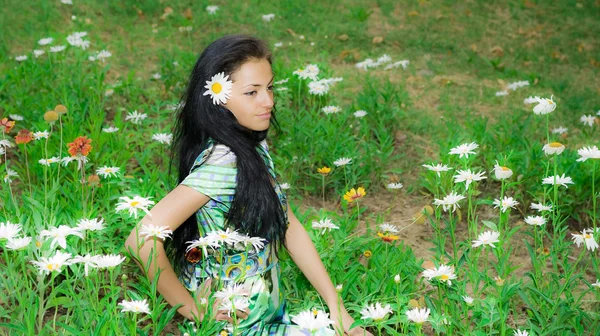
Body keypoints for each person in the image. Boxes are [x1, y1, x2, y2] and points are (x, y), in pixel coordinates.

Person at [124, 34, 373, 336]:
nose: (268, 101)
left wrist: (337, 308)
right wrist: (192, 309)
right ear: (218, 97)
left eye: (269, 88)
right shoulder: (223, 163)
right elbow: (141, 241)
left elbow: (288, 224)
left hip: (271, 317)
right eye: (252, 92)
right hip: (236, 326)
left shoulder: (252, 147)